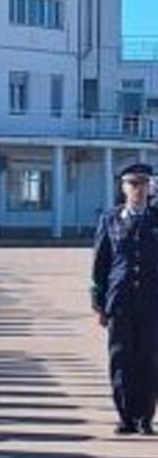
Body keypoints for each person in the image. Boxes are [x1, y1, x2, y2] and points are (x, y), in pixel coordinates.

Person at [91, 163, 158, 435]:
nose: (138, 189)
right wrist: (98, 300)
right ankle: (126, 416)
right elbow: (101, 262)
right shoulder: (110, 219)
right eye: (133, 184)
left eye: (143, 184)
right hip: (120, 300)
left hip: (153, 302)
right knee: (121, 359)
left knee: (150, 359)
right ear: (123, 188)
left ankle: (145, 417)